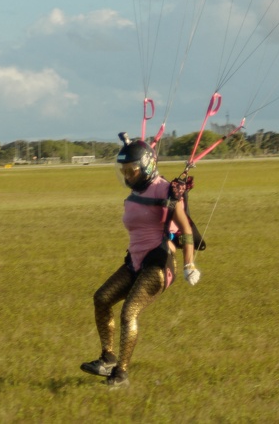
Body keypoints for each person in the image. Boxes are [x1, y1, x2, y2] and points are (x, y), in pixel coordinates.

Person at [80, 132, 201, 389]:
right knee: (101, 299)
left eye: (131, 170)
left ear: (146, 166)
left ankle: (121, 374)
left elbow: (186, 229)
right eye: (124, 170)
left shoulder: (166, 190)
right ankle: (108, 358)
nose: (127, 175)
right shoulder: (136, 191)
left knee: (128, 313)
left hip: (159, 263)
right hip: (134, 262)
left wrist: (190, 264)